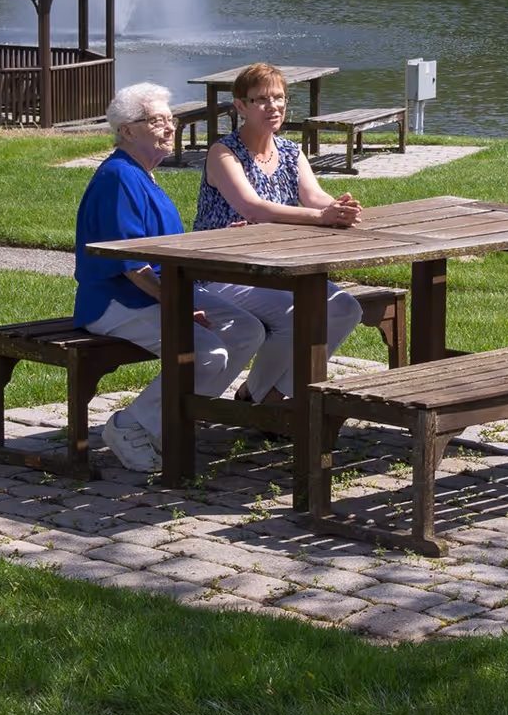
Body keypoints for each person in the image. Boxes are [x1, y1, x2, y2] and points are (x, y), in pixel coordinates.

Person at [73, 82, 266, 472]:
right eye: (157, 121)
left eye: (171, 120)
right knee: (209, 354)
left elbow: (164, 246)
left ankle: (167, 422)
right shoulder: (118, 177)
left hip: (159, 292)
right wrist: (176, 306)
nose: (169, 128)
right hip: (116, 301)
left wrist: (213, 240)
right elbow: (131, 263)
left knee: (246, 329)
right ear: (127, 130)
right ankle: (129, 426)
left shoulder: (144, 175)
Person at [194, 62, 366, 405]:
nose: (272, 106)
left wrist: (340, 207)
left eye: (279, 98)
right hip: (224, 271)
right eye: (260, 100)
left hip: (279, 268)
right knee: (298, 314)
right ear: (240, 106)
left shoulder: (290, 151)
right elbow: (251, 207)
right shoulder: (224, 153)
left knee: (345, 307)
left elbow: (315, 196)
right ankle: (265, 401)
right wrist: (320, 216)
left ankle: (265, 393)